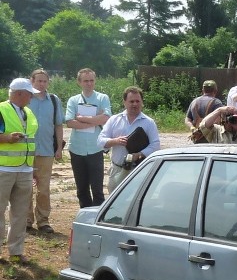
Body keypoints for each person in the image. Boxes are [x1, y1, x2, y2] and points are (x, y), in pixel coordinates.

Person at [0, 78, 39, 264]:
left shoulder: (28, 112)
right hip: (3, 169)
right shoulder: (1, 110)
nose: (32, 97)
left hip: (25, 169)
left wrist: (33, 168)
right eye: (29, 93)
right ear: (19, 93)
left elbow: (31, 141)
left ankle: (16, 250)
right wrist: (7, 138)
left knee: (20, 212)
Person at [98, 87, 161, 192]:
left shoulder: (149, 122)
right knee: (115, 205)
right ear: (124, 102)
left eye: (137, 101)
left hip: (140, 171)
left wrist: (139, 154)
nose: (135, 104)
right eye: (131, 101)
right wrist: (115, 141)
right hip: (117, 170)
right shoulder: (114, 120)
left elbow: (155, 145)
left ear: (142, 102)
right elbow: (100, 141)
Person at [65, 68, 112, 208]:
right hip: (76, 149)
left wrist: (82, 119)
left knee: (97, 189)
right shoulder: (73, 100)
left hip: (95, 148)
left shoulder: (103, 98)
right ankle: (85, 215)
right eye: (86, 81)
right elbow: (69, 122)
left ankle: (97, 217)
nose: (89, 83)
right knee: (82, 189)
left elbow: (106, 118)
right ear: (79, 82)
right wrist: (95, 119)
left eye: (91, 80)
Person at [26, 69, 64, 233]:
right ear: (32, 81)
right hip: (26, 150)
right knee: (25, 187)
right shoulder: (25, 99)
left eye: (44, 81)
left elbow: (58, 125)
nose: (42, 84)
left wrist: (59, 148)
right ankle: (26, 221)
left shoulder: (54, 101)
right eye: (38, 81)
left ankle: (43, 221)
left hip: (47, 150)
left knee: (44, 188)